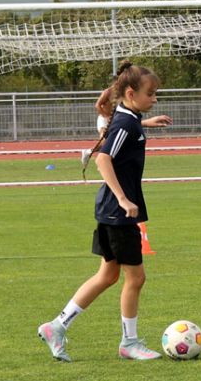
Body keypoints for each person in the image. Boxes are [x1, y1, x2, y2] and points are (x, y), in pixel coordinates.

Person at [37, 62, 173, 362]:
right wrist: (124, 199)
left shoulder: (127, 118)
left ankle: (57, 326)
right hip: (117, 212)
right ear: (130, 93)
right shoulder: (125, 123)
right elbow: (102, 159)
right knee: (135, 279)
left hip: (108, 211)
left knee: (108, 275)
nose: (154, 99)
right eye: (150, 94)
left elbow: (122, 128)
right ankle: (130, 342)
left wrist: (146, 124)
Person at [79, 82, 118, 171]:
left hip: (114, 120)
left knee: (107, 143)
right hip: (104, 119)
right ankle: (102, 162)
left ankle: (88, 152)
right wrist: (106, 116)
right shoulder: (107, 92)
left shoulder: (123, 93)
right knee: (104, 140)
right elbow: (97, 105)